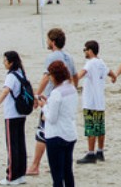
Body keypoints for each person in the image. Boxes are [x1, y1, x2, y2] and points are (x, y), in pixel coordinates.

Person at [27, 28, 78, 177]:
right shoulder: (69, 57)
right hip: (67, 95)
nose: (47, 42)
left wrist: (36, 95)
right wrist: (72, 89)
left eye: (48, 39)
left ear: (53, 42)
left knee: (43, 131)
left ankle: (35, 165)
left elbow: (45, 77)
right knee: (61, 128)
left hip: (52, 96)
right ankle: (56, 162)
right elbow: (75, 76)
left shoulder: (52, 57)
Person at [75, 40, 116, 164]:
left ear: (90, 50)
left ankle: (91, 153)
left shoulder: (90, 63)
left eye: (85, 50)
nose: (85, 52)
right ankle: (100, 151)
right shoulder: (101, 62)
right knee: (100, 127)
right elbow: (110, 72)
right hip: (100, 101)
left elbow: (81, 74)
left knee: (91, 128)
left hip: (90, 100)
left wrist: (69, 81)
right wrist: (114, 77)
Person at [39, 61, 77, 187]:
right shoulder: (71, 88)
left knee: (57, 175)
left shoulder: (57, 92)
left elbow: (52, 118)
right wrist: (48, 102)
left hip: (56, 135)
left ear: (54, 76)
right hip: (70, 133)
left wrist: (44, 107)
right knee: (68, 171)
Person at [0, 51, 30, 186]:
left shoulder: (11, 76)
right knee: (20, 144)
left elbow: (5, 91)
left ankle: (11, 176)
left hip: (12, 114)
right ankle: (20, 174)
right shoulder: (21, 72)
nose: (4, 63)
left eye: (5, 60)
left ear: (11, 62)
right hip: (21, 114)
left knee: (12, 145)